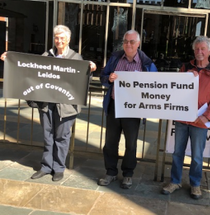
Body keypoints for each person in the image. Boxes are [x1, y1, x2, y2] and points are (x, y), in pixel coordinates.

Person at [0, 25, 97, 182]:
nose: (59, 41)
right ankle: (46, 166)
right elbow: (31, 69)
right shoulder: (46, 55)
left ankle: (58, 168)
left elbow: (82, 81)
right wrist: (10, 59)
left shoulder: (76, 58)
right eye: (56, 38)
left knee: (62, 137)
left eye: (62, 38)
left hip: (66, 107)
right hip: (47, 104)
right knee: (48, 136)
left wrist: (90, 70)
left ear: (69, 40)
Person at [161, 36, 210, 199]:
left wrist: (207, 116)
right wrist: (184, 79)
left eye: (203, 49)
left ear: (209, 51)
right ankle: (175, 181)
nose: (199, 52)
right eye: (197, 49)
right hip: (183, 118)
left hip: (200, 120)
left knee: (197, 155)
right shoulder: (185, 67)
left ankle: (195, 184)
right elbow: (176, 90)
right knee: (177, 153)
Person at [98, 29, 157, 189]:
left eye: (132, 41)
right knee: (110, 142)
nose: (128, 44)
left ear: (138, 44)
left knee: (131, 144)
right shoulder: (115, 58)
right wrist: (108, 79)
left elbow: (155, 86)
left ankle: (128, 174)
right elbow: (102, 77)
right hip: (114, 107)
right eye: (125, 41)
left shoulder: (147, 64)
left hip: (133, 110)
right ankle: (110, 172)